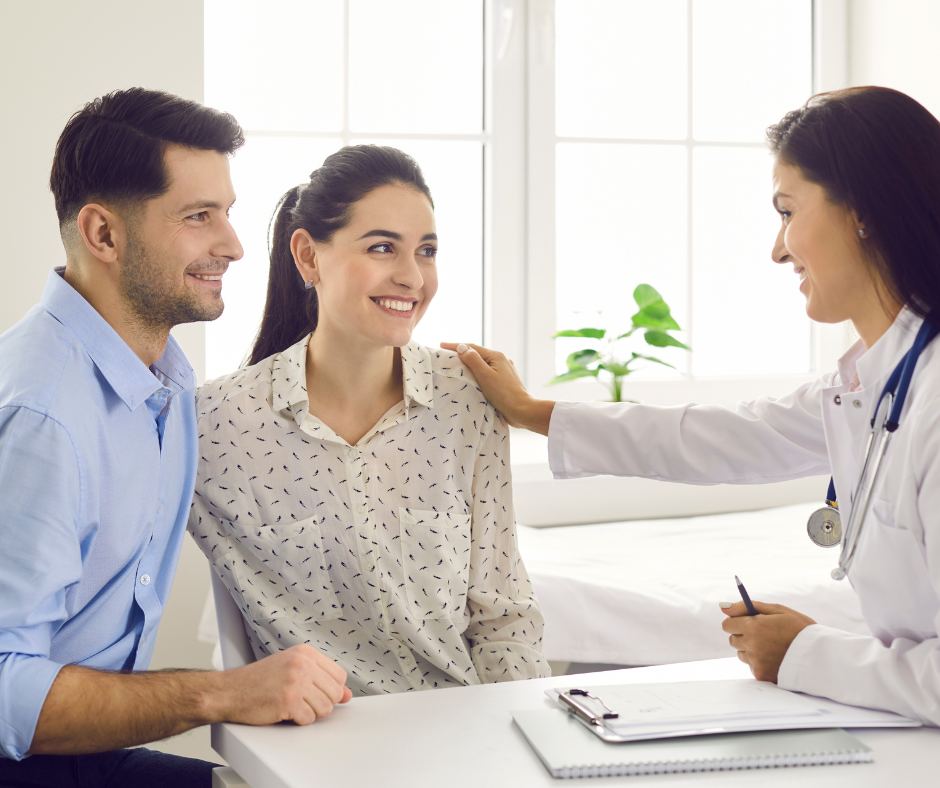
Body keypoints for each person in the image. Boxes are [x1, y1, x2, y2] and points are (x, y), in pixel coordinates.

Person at [443, 86, 940, 725]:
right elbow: (715, 437)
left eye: (788, 211)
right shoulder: (871, 383)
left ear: (864, 209)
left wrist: (805, 652)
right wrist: (533, 412)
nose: (778, 248)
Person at [0, 88, 350, 787]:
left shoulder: (163, 381)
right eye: (199, 217)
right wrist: (221, 694)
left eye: (227, 213)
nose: (235, 245)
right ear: (103, 235)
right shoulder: (45, 416)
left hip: (79, 757)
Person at [189, 145, 550, 695]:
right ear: (308, 256)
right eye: (383, 247)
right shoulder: (213, 426)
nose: (412, 277)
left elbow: (504, 620)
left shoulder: (466, 398)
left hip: (465, 732)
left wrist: (518, 739)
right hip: (319, 751)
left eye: (426, 251)